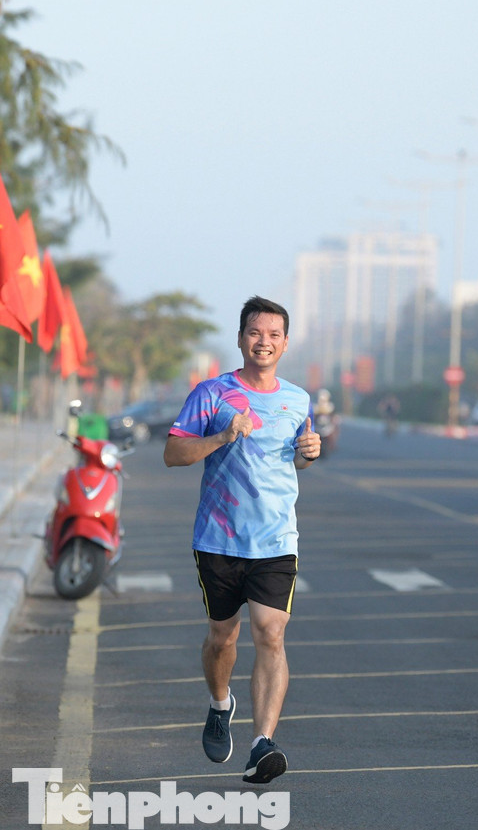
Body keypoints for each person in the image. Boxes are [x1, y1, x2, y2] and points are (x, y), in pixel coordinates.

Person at [163, 296, 320, 785]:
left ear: (285, 343)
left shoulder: (298, 400)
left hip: (276, 538)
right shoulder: (211, 394)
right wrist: (221, 438)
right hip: (219, 539)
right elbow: (173, 453)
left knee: (271, 633)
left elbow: (296, 457)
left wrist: (309, 453)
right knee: (222, 638)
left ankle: (262, 744)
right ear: (240, 339)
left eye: (274, 335)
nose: (264, 342)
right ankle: (219, 703)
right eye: (255, 333)